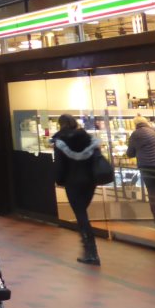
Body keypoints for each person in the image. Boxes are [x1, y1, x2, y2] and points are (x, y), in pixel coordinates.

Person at [52, 113, 102, 265]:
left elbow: (60, 165)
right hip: (89, 181)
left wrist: (59, 180)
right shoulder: (87, 138)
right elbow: (96, 158)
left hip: (73, 182)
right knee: (82, 213)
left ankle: (91, 252)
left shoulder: (60, 141)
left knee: (81, 215)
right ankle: (90, 250)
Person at [126, 115, 155, 225]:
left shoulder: (135, 134)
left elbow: (130, 153)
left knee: (152, 193)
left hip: (146, 166)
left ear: (135, 124)